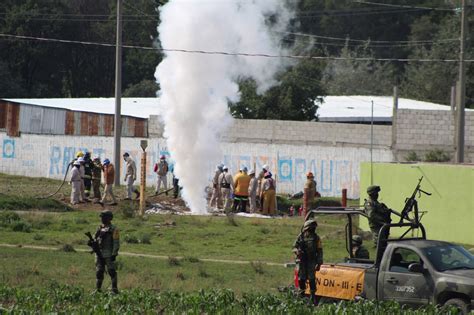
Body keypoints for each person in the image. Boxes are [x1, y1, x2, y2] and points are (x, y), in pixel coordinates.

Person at [293, 219, 323, 305]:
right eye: (311, 228)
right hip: (302, 261)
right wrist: (297, 251)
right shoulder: (301, 237)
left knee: (311, 279)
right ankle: (301, 296)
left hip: (311, 261)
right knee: (301, 278)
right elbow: (294, 247)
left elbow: (320, 250)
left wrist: (319, 262)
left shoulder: (316, 238)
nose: (312, 230)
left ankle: (313, 297)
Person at [92, 210, 120, 294]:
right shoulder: (100, 228)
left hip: (109, 253)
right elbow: (95, 237)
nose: (102, 219)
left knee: (111, 271)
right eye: (101, 217)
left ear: (109, 218)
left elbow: (116, 242)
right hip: (99, 253)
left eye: (104, 217)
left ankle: (114, 289)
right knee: (99, 271)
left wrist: (114, 253)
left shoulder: (114, 229)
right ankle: (98, 289)